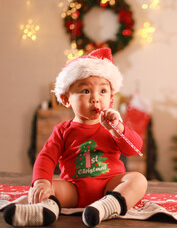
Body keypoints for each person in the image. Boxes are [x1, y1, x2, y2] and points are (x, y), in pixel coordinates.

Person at [3, 47, 148, 227]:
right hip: (74, 189)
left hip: (109, 187)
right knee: (48, 188)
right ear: (65, 98)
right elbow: (46, 157)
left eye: (102, 91)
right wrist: (41, 182)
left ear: (111, 98)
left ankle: (108, 206)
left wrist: (119, 130)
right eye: (86, 91)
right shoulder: (63, 130)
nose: (95, 98)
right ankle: (45, 210)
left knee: (138, 180)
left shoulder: (113, 125)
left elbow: (134, 149)